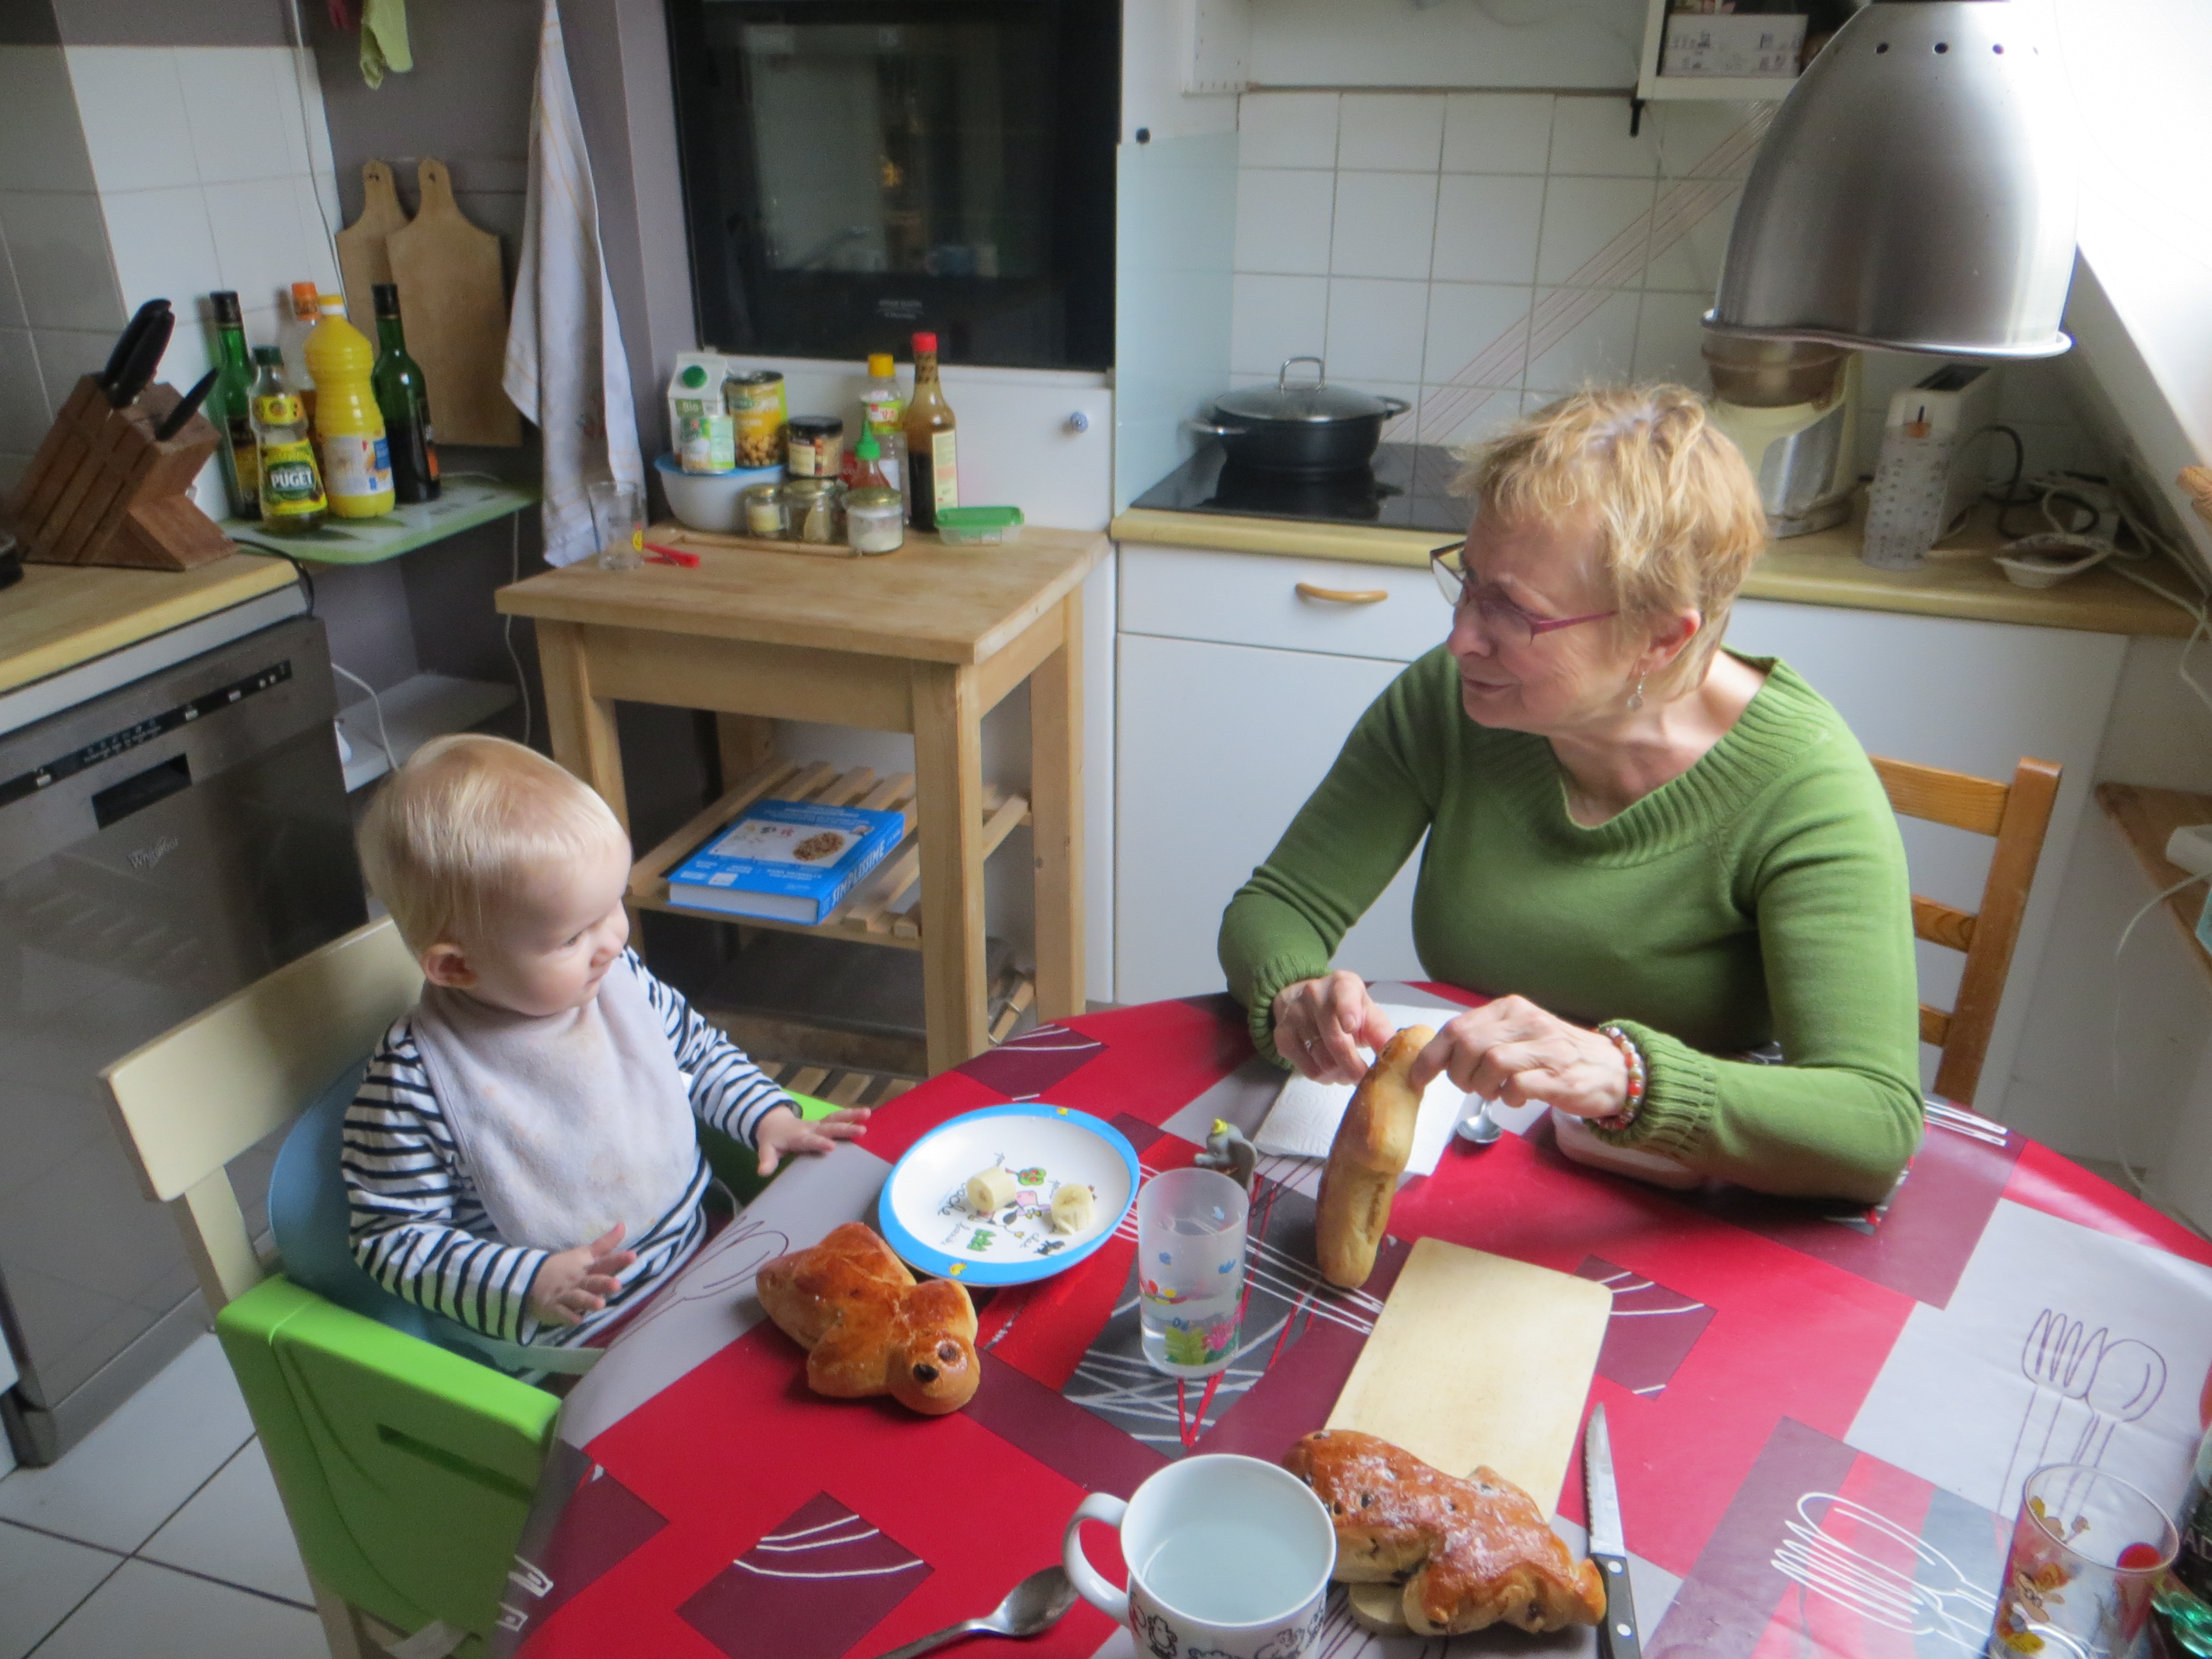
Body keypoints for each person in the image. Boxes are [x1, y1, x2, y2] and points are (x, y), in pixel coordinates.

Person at [1217, 385, 1922, 1202]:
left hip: (1684, 1193)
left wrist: (1624, 1078)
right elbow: (1279, 905)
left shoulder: (1804, 787)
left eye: (1515, 612)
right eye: (1469, 581)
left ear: (1659, 638)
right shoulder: (1450, 700)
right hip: (1477, 1154)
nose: (1460, 637)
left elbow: (1873, 1126)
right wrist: (1296, 995)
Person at [345, 734, 866, 1350]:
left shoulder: (619, 981)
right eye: (572, 937)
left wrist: (767, 1117)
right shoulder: (415, 1082)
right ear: (457, 968)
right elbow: (392, 1238)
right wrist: (529, 1281)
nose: (614, 940)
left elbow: (697, 1053)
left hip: (705, 1246)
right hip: (587, 1331)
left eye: (612, 905)